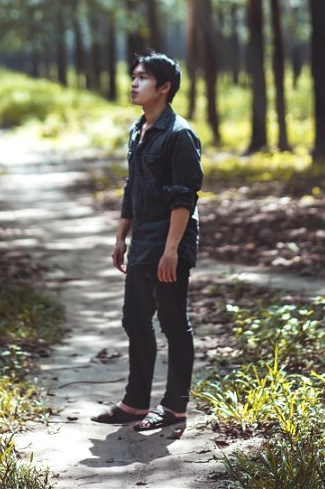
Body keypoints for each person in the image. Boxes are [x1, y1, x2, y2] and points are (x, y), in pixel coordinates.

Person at [92, 50, 203, 432]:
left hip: (169, 245)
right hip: (142, 244)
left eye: (143, 77)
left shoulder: (180, 135)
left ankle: (175, 408)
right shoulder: (138, 130)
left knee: (174, 324)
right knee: (135, 320)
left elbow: (183, 198)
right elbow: (132, 188)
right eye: (133, 76)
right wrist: (121, 235)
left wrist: (171, 250)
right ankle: (136, 402)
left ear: (165, 87)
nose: (134, 83)